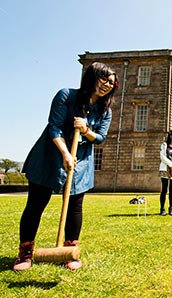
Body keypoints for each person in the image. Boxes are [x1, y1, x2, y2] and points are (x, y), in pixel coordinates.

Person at [13, 62, 118, 271]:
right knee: (35, 205)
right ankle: (25, 253)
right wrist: (65, 153)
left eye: (112, 83)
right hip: (50, 156)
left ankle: (70, 251)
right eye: (104, 79)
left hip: (81, 161)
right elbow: (54, 127)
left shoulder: (105, 111)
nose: (108, 85)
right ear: (92, 76)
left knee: (75, 206)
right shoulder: (66, 96)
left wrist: (86, 129)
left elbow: (100, 137)